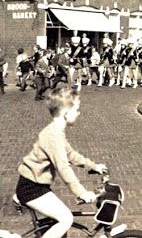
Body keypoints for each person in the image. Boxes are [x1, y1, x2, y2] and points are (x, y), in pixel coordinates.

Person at [15, 88, 107, 238]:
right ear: (66, 114)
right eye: (76, 109)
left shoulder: (56, 131)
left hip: (37, 184)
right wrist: (81, 192)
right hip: (31, 188)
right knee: (66, 219)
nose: (79, 113)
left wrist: (93, 166)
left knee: (59, 227)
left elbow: (71, 155)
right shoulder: (53, 136)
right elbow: (64, 168)